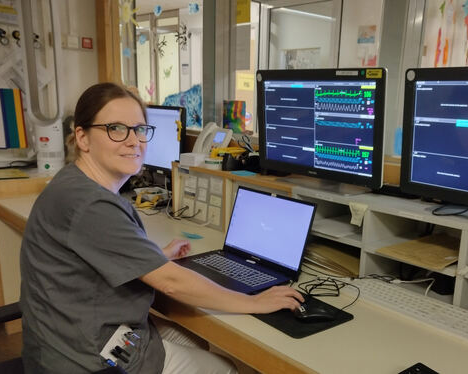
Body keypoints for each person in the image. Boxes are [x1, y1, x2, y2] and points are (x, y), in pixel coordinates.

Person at [19, 82, 304, 374]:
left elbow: (97, 253)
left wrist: (155, 256)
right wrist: (253, 302)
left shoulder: (73, 183)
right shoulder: (91, 204)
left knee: (193, 338)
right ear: (83, 137)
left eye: (140, 129)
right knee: (226, 367)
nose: (134, 141)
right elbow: (171, 283)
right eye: (116, 128)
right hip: (87, 357)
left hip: (68, 336)